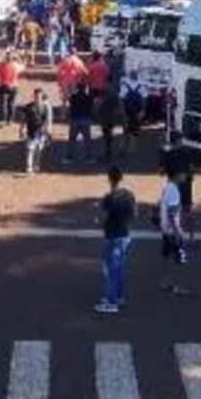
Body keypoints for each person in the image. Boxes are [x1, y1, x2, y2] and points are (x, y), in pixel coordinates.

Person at [94, 165, 137, 314]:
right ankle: (118, 297)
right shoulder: (129, 195)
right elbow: (134, 214)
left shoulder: (108, 198)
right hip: (125, 235)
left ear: (109, 179)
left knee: (110, 270)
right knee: (119, 268)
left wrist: (100, 221)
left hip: (112, 236)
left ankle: (110, 302)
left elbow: (102, 218)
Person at [158, 164, 191, 296]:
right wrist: (178, 232)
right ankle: (178, 286)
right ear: (177, 175)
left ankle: (165, 281)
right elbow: (172, 213)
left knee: (167, 257)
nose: (185, 176)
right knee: (179, 260)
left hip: (166, 230)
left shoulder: (167, 187)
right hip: (173, 231)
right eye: (183, 173)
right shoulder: (175, 191)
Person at [162, 131, 195, 242]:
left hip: (173, 186)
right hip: (186, 184)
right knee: (187, 210)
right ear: (179, 140)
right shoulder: (188, 152)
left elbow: (162, 171)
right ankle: (191, 236)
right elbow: (191, 168)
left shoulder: (167, 154)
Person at [21, 88, 52, 174]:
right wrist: (22, 129)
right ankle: (29, 167)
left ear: (42, 97)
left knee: (39, 149)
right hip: (31, 130)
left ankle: (36, 164)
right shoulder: (28, 107)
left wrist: (48, 131)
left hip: (41, 131)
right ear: (34, 96)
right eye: (36, 96)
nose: (37, 98)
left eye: (39, 96)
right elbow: (24, 119)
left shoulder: (45, 107)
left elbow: (47, 120)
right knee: (30, 149)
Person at [65, 81, 95, 163]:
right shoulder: (88, 97)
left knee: (72, 140)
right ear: (85, 88)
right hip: (85, 119)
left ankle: (69, 157)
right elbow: (92, 102)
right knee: (87, 140)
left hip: (74, 119)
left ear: (77, 88)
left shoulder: (73, 96)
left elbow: (68, 101)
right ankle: (89, 157)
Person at [119, 71, 146, 156]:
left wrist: (122, 111)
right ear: (136, 76)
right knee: (135, 129)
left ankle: (123, 146)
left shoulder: (125, 85)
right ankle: (132, 148)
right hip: (137, 111)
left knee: (126, 128)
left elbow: (121, 99)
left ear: (130, 76)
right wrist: (143, 110)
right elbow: (144, 99)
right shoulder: (141, 85)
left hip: (127, 110)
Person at [0, 51, 21, 125]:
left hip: (3, 85)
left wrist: (1, 57)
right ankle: (10, 119)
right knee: (11, 103)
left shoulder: (1, 66)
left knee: (2, 103)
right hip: (14, 85)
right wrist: (17, 57)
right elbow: (23, 65)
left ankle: (3, 118)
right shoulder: (16, 65)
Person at [97, 90, 121, 163]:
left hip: (105, 122)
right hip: (110, 121)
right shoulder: (111, 102)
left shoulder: (103, 103)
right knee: (109, 138)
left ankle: (107, 155)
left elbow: (99, 112)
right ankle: (108, 154)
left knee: (107, 138)